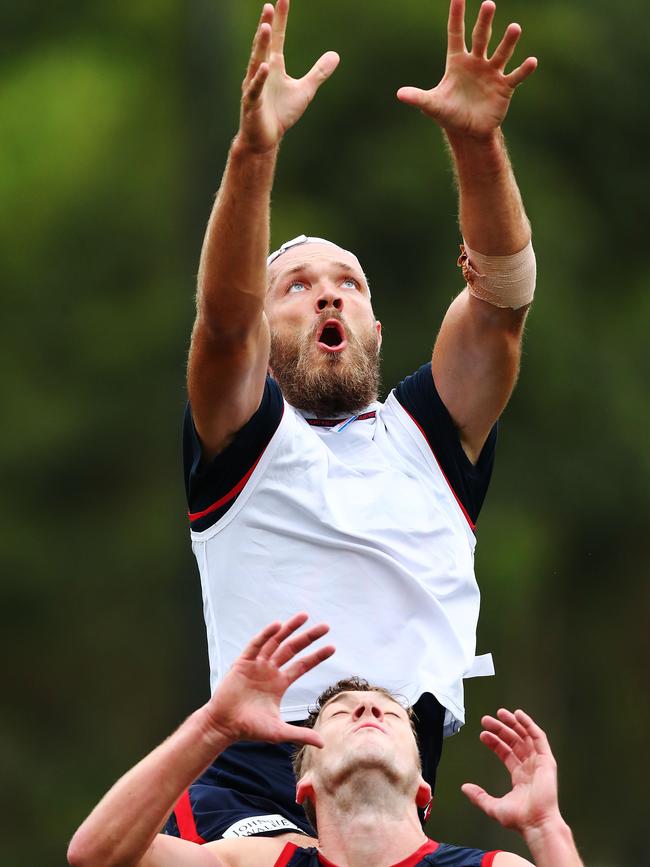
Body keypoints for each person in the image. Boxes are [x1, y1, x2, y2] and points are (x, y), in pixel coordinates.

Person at [176, 0, 538, 842]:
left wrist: (478, 145)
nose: (329, 290)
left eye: (348, 281)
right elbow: (225, 323)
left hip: (396, 776)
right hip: (256, 776)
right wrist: (253, 151)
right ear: (268, 332)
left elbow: (502, 302)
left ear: (375, 327)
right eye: (296, 286)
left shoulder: (428, 438)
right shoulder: (242, 438)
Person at [67, 614, 585, 867]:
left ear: (423, 787)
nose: (366, 709)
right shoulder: (260, 861)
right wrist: (213, 727)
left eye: (389, 714)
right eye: (341, 714)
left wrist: (546, 828)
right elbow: (97, 856)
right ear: (304, 785)